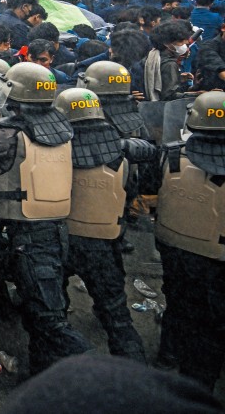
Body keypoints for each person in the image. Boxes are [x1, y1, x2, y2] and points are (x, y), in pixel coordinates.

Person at [0, 63, 93, 374]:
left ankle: (106, 371)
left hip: (27, 237)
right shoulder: (64, 126)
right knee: (40, 312)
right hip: (57, 230)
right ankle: (40, 374)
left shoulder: (6, 133)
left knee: (49, 319)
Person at [54, 88, 153, 363]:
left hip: (61, 239)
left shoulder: (54, 149)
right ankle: (136, 376)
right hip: (102, 240)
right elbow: (131, 190)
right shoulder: (122, 149)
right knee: (116, 314)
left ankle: (62, 374)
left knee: (54, 312)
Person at [156, 91, 225, 389]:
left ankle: (168, 354)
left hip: (175, 248)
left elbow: (151, 194)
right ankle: (199, 384)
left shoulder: (171, 153)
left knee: (177, 302)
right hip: (217, 258)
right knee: (212, 324)